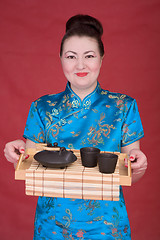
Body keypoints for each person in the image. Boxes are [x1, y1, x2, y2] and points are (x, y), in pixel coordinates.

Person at [4, 14, 147, 239]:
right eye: (71, 56)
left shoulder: (124, 106)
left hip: (108, 225)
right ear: (61, 59)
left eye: (89, 56)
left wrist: (138, 165)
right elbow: (31, 171)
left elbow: (130, 173)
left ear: (101, 59)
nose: (80, 65)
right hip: (52, 226)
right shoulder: (42, 107)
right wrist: (18, 155)